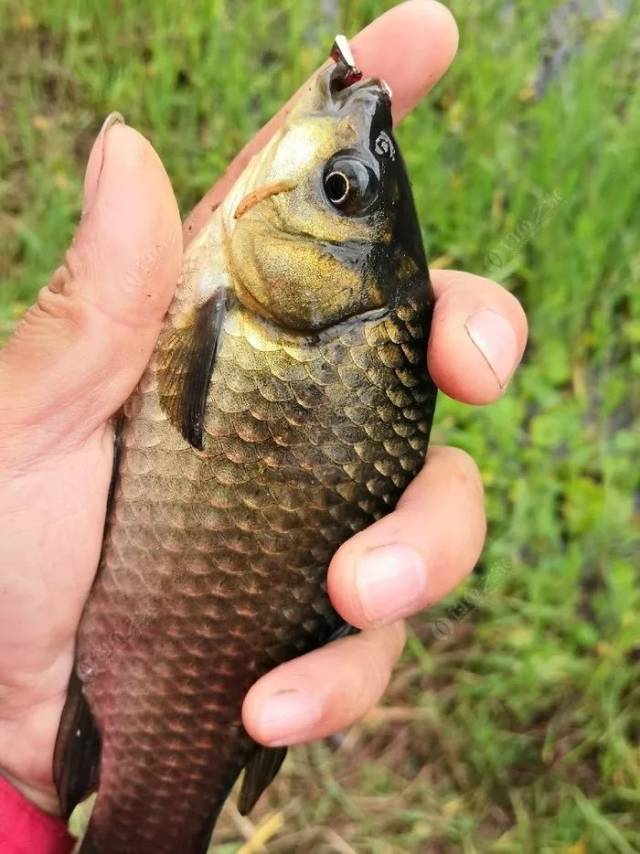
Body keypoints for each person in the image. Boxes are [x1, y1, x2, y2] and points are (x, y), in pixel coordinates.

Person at [0, 2, 527, 851]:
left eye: (338, 187)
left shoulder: (237, 289)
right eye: (344, 185)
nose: (334, 155)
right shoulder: (244, 281)